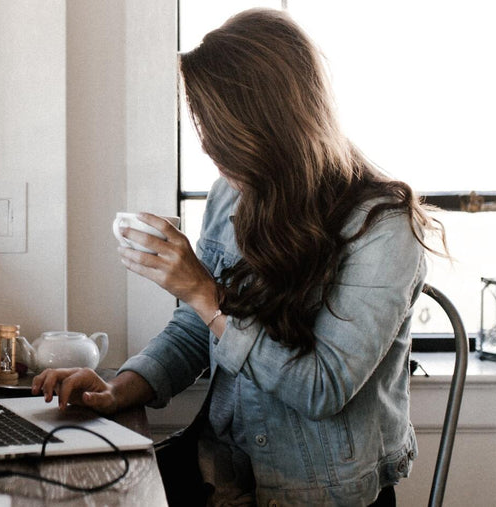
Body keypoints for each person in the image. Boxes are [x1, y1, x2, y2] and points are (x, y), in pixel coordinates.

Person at [32, 8, 446, 507]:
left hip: (319, 493)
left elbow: (322, 388)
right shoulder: (232, 195)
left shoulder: (383, 228)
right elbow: (195, 328)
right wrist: (122, 387)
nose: (208, 146)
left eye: (219, 130)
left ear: (272, 126)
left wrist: (204, 292)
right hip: (222, 472)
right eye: (204, 127)